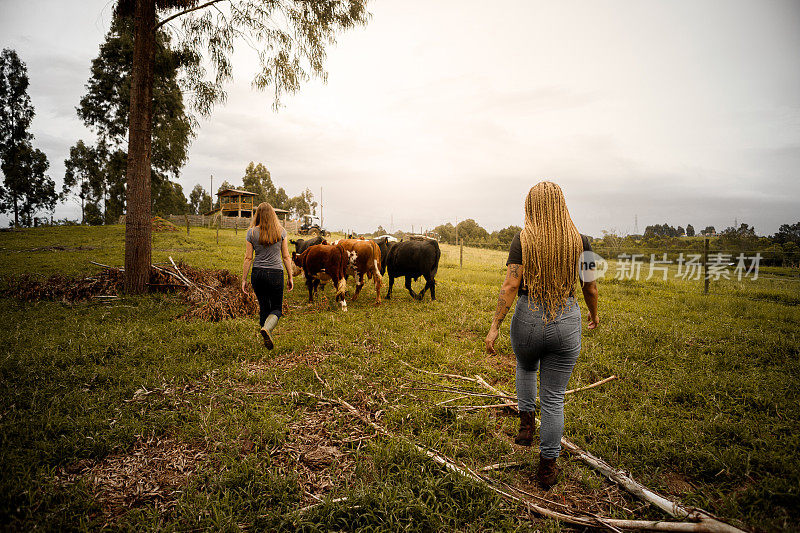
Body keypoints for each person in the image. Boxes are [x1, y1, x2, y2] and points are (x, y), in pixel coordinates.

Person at [485, 181, 599, 489]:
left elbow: (510, 286)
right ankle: (547, 467)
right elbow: (590, 286)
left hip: (528, 318)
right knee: (554, 398)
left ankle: (525, 428)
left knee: (525, 366)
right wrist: (593, 314)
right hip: (566, 320)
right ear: (561, 204)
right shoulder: (583, 241)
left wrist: (495, 325)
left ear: (531, 206)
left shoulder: (521, 240)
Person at [242, 202, 294, 349]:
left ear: (257, 214)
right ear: (273, 215)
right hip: (276, 274)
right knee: (277, 308)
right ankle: (267, 329)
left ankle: (265, 333)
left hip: (258, 273)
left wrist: (244, 279)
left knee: (264, 306)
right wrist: (290, 276)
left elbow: (248, 258)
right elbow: (286, 256)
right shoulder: (281, 231)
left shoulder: (251, 232)